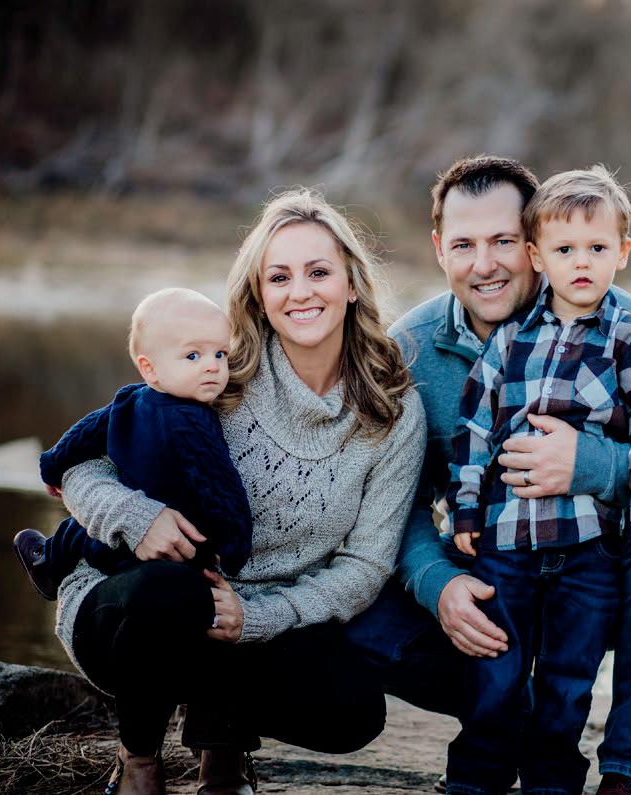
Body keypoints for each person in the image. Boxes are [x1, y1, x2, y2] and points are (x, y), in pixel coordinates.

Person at [344, 155, 631, 795]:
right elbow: (389, 501)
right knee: (357, 615)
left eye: (502, 241)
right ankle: (507, 726)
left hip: (594, 565)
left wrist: (592, 464)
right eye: (464, 245)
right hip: (492, 568)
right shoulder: (408, 347)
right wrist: (440, 583)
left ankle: (630, 771)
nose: (485, 264)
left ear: (531, 243)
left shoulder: (623, 323)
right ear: (439, 249)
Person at [51, 188, 426, 795]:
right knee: (171, 591)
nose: (299, 292)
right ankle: (139, 760)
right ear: (259, 293)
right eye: (279, 277)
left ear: (352, 284)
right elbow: (82, 465)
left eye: (318, 272)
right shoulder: (218, 368)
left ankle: (222, 744)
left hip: (250, 625)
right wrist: (136, 517)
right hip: (130, 605)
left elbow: (365, 565)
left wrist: (258, 617)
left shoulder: (391, 411)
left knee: (354, 708)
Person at [443, 166, 631, 795]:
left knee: (569, 678)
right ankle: (475, 779)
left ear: (623, 253)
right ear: (538, 257)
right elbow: (474, 428)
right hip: (506, 540)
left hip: (588, 545)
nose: (582, 263)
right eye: (566, 249)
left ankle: (553, 781)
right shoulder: (511, 339)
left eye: (598, 248)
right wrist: (465, 509)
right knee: (496, 672)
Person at [12, 288, 252, 600]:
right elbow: (219, 485)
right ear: (149, 368)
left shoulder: (130, 399)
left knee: (82, 532)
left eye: (220, 354)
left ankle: (48, 562)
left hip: (142, 544)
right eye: (193, 356)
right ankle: (51, 564)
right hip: (176, 548)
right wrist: (235, 548)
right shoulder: (191, 421)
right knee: (89, 533)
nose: (213, 366)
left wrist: (52, 467)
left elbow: (84, 435)